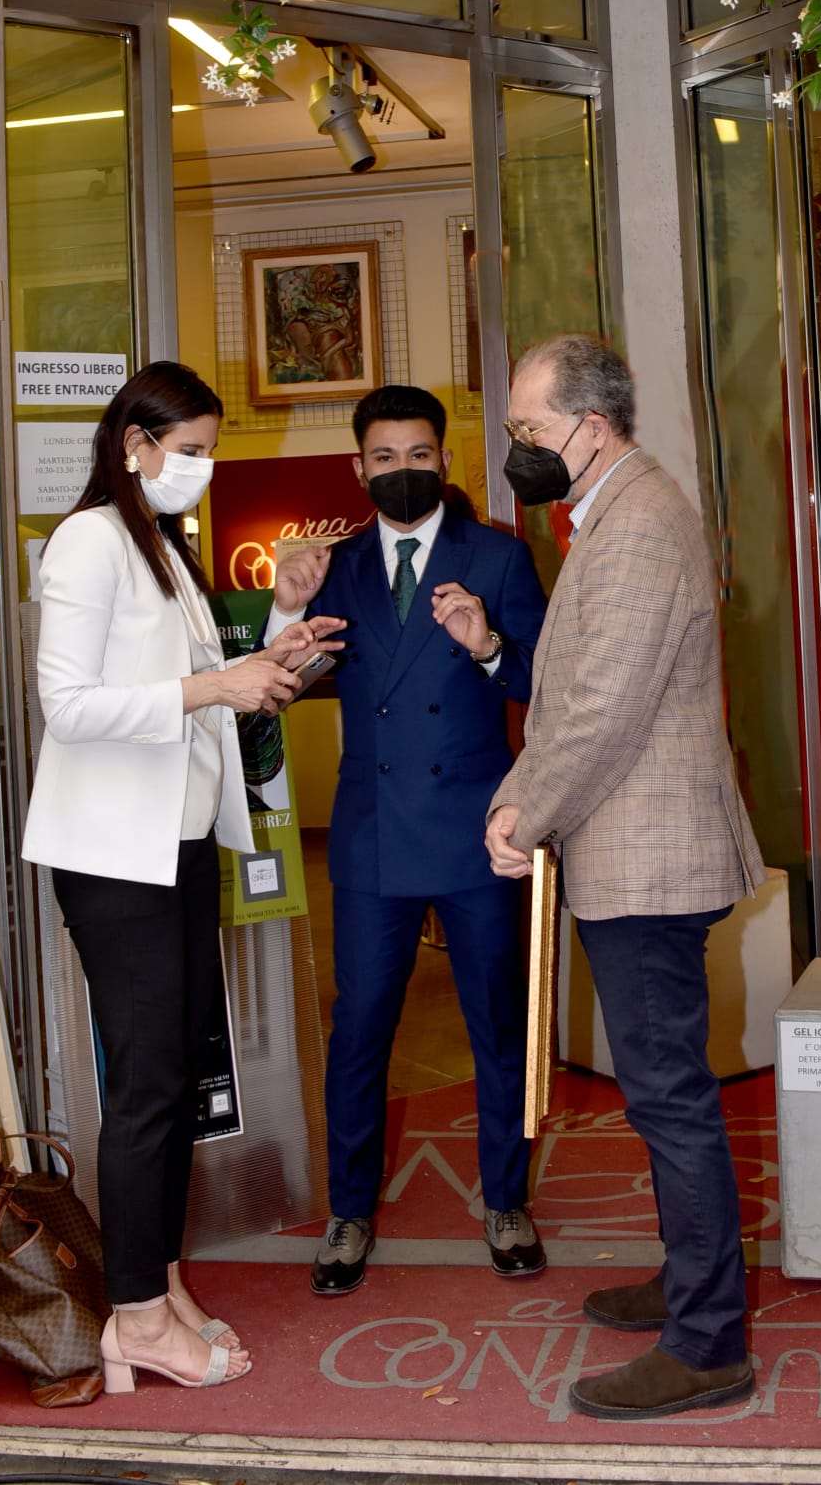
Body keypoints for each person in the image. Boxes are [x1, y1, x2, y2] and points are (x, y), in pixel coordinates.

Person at [22, 361, 343, 1394]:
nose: (202, 467)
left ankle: (160, 1283)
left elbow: (188, 688)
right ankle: (136, 1319)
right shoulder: (88, 540)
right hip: (115, 854)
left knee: (176, 1078)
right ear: (135, 445)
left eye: (210, 450)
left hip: (178, 842)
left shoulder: (161, 542)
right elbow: (69, 706)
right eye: (190, 449)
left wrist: (269, 662)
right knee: (148, 1087)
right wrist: (213, 684)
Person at [484, 335, 765, 1421]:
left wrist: (522, 809)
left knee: (670, 1100)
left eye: (530, 429)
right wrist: (529, 797)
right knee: (663, 1098)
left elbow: (599, 707)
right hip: (629, 852)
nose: (517, 446)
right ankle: (690, 1281)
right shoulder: (612, 507)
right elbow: (575, 696)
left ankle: (707, 1341)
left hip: (648, 861)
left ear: (591, 427)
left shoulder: (639, 519)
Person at [263, 384, 548, 1295]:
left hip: (475, 829)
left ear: (443, 460)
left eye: (417, 455)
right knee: (358, 1032)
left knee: (496, 1025)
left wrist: (486, 644)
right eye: (383, 458)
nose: (401, 471)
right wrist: (283, 612)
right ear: (359, 469)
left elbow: (542, 681)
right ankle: (349, 1213)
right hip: (373, 835)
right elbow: (278, 688)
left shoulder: (496, 557)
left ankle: (505, 1201)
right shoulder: (333, 569)